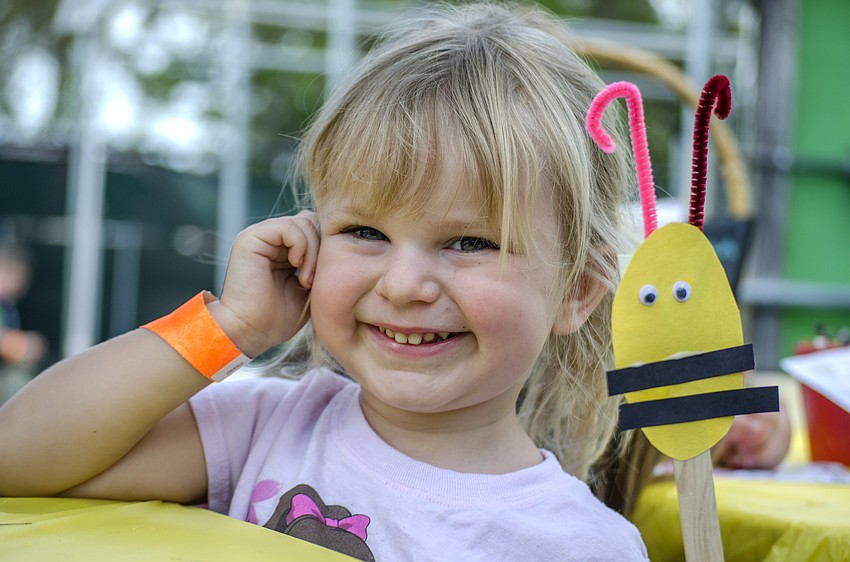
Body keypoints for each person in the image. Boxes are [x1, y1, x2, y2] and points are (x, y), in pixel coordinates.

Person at [0, 3, 650, 560]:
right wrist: (226, 329)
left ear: (578, 291)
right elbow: (17, 456)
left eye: (470, 242)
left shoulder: (586, 546)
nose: (403, 284)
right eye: (366, 232)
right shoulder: (260, 430)